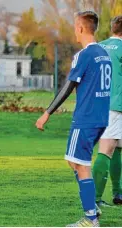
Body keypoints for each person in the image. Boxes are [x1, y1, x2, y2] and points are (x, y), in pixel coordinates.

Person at [35, 11, 111, 227]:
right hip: (100, 118)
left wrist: (47, 112)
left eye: (74, 27)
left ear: (79, 28)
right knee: (74, 161)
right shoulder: (103, 54)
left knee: (80, 164)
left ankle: (90, 218)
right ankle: (92, 207)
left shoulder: (85, 55)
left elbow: (68, 86)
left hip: (85, 119)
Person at [93, 15, 122, 208]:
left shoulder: (99, 46)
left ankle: (118, 192)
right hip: (116, 105)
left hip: (100, 103)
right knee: (107, 149)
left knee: (118, 146)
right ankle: (93, 199)